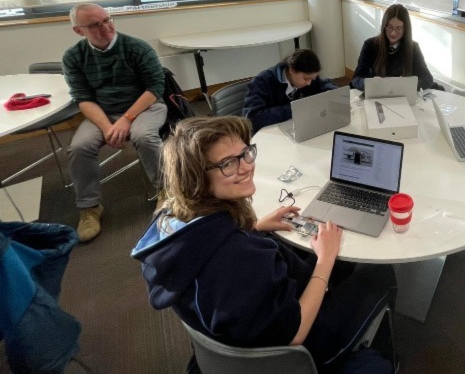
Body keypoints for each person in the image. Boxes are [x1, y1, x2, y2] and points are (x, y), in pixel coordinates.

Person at [131, 116, 396, 370]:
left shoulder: (170, 222)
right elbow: (295, 333)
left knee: (313, 255)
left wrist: (255, 227)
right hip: (299, 349)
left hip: (235, 331)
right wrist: (325, 260)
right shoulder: (241, 259)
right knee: (379, 274)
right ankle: (379, 357)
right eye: (228, 164)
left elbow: (207, 249)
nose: (246, 166)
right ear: (197, 179)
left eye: (246, 153)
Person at [62, 3, 166, 243]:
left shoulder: (136, 48)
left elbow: (154, 88)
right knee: (80, 146)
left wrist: (127, 119)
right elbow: (83, 98)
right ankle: (89, 207)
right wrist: (109, 127)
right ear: (79, 31)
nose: (105, 27)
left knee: (144, 136)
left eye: (107, 20)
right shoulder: (73, 56)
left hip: (145, 107)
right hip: (103, 112)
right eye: (95, 25)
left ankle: (166, 191)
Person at [242, 48, 337, 132]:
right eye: (306, 78)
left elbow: (323, 83)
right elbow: (253, 118)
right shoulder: (262, 82)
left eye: (312, 78)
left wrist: (333, 91)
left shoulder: (309, 79)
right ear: (292, 70)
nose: (309, 83)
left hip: (297, 128)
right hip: (271, 134)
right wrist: (295, 108)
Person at [351, 3, 434, 91]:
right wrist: (369, 83)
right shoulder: (370, 45)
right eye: (389, 27)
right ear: (384, 26)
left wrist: (407, 84)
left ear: (405, 29)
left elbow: (427, 78)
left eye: (398, 28)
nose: (393, 33)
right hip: (377, 94)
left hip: (403, 96)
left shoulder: (413, 47)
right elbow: (357, 78)